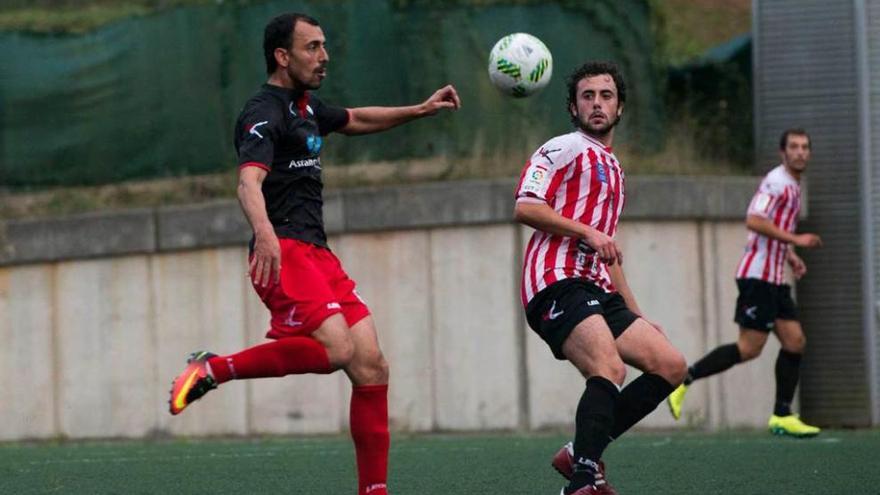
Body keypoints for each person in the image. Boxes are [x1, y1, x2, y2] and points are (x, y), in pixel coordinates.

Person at [168, 12, 460, 495]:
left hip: (317, 254)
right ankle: (212, 369)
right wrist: (263, 234)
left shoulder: (305, 108)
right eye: (312, 48)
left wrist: (419, 110)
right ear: (282, 57)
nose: (324, 57)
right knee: (338, 349)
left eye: (324, 46)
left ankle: (374, 491)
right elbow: (248, 181)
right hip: (281, 250)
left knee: (371, 365)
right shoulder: (263, 112)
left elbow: (356, 118)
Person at [514, 61, 687, 495]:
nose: (597, 103)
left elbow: (608, 251)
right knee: (608, 367)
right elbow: (525, 206)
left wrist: (637, 314)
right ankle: (582, 481)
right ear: (573, 108)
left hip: (597, 286)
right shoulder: (563, 147)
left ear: (620, 107)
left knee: (670, 366)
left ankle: (580, 452)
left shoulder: (615, 169)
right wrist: (585, 231)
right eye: (587, 96)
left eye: (606, 96)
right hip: (555, 280)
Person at [667, 128, 822, 437]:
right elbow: (754, 218)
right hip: (757, 277)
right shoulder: (777, 182)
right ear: (783, 153)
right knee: (750, 348)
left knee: (795, 342)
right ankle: (685, 378)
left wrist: (790, 254)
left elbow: (771, 227)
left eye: (805, 147)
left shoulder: (793, 184)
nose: (800, 152)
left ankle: (781, 414)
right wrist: (795, 238)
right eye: (794, 147)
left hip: (774, 279)